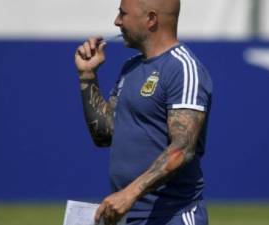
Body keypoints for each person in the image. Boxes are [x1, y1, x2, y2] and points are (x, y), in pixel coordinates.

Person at [75, 0, 212, 224]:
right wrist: (87, 76)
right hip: (126, 216)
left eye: (123, 14)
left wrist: (129, 194)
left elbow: (182, 149)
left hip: (171, 217)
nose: (117, 21)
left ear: (151, 19)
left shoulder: (183, 69)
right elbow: (104, 136)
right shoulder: (131, 67)